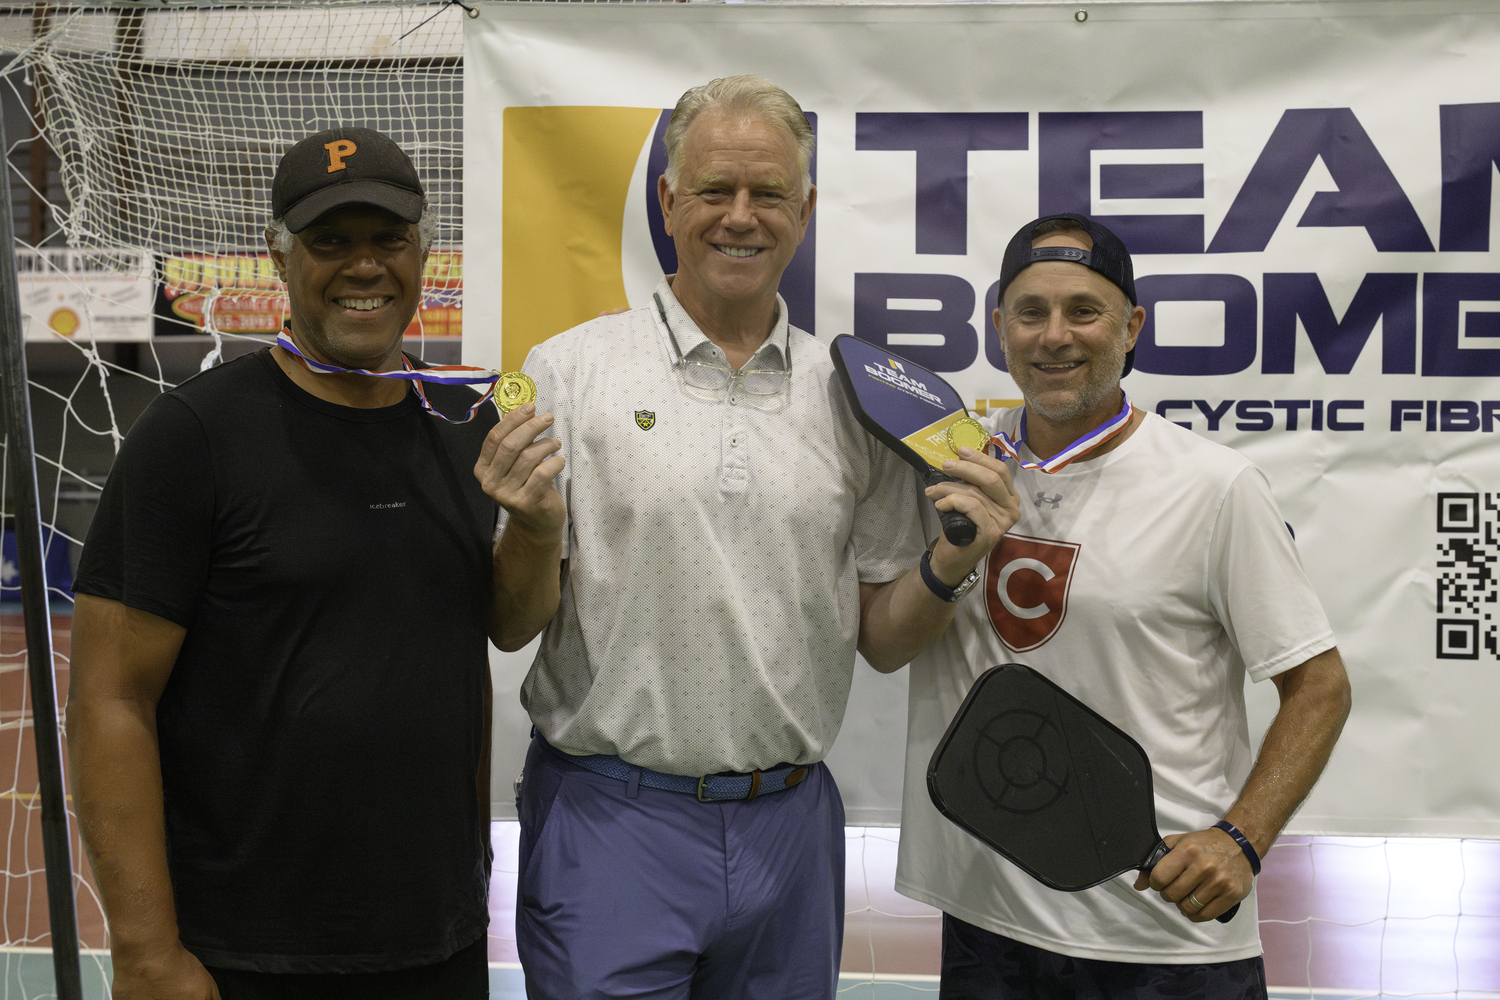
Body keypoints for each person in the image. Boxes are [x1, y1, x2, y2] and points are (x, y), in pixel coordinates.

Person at [473, 75, 1019, 1000]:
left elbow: (883, 638)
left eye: (767, 194)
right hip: (609, 822)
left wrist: (956, 558)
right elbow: (512, 624)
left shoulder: (852, 394)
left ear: (804, 211)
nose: (740, 216)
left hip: (791, 828)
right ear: (667, 202)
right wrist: (532, 529)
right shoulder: (568, 372)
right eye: (714, 191)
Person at [68, 127, 499, 1000]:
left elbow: (486, 636)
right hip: (245, 952)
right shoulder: (192, 438)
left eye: (387, 239)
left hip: (438, 938)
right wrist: (146, 952)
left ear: (424, 251)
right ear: (278, 256)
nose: (364, 266)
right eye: (330, 243)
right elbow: (109, 696)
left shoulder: (470, 427)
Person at [889, 212, 1353, 999]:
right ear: (999, 325)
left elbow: (1321, 687)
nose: (1055, 336)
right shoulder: (954, 468)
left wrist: (1243, 838)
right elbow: (885, 640)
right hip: (986, 918)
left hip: (1160, 935)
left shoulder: (1213, 486)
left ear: (1132, 326)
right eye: (1030, 311)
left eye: (1085, 310)